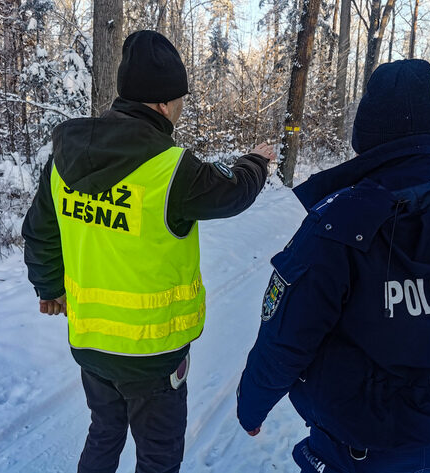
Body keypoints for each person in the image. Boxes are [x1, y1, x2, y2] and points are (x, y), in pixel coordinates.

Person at [236, 59, 430, 473]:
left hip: (353, 453)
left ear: (366, 133)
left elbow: (286, 338)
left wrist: (252, 407)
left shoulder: (337, 224)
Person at [22, 30, 275, 473]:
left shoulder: (66, 157)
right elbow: (232, 195)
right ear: (161, 103)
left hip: (92, 344)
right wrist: (256, 161)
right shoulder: (170, 167)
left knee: (103, 433)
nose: (180, 107)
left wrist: (50, 286)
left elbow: (40, 231)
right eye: (179, 98)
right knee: (158, 458)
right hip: (154, 358)